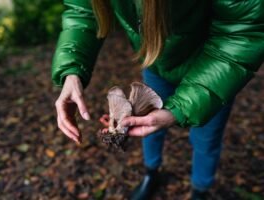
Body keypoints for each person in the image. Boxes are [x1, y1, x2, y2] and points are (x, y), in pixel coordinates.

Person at [52, 0, 264, 199]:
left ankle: (200, 188)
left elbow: (243, 30)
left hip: (215, 73)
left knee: (207, 138)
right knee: (146, 125)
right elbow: (84, 10)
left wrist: (181, 109)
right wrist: (72, 70)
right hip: (157, 64)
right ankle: (151, 172)